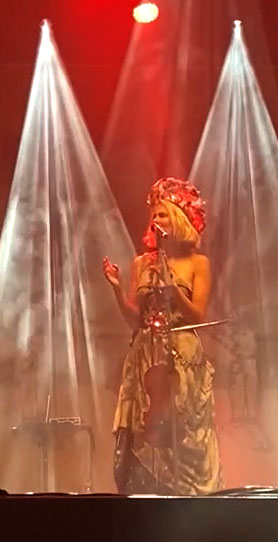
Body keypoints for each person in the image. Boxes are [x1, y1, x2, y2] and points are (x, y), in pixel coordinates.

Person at [101, 177, 222, 495]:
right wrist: (116, 290)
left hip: (181, 355)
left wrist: (173, 290)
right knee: (142, 429)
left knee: (181, 429)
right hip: (144, 355)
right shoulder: (142, 263)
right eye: (154, 215)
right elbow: (134, 320)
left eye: (163, 214)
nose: (156, 221)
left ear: (179, 219)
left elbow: (198, 315)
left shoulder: (198, 263)